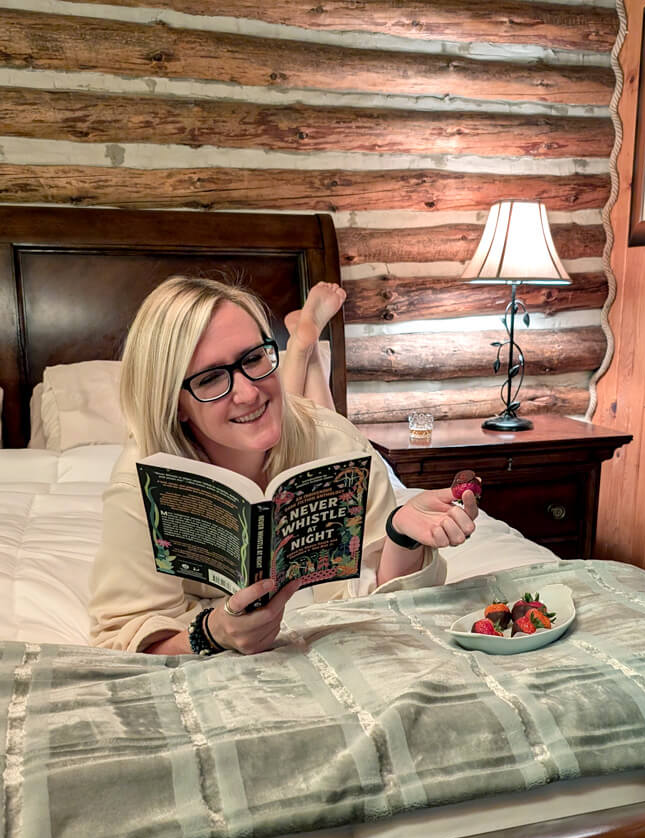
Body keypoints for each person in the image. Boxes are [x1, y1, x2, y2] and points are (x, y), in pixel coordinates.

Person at [89, 277, 478, 656]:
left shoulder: (340, 445)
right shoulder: (141, 487)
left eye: (255, 358)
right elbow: (124, 637)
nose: (248, 392)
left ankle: (303, 348)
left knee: (317, 424)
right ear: (174, 403)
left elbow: (381, 604)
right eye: (210, 379)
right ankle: (304, 347)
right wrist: (212, 633)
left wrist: (400, 535)